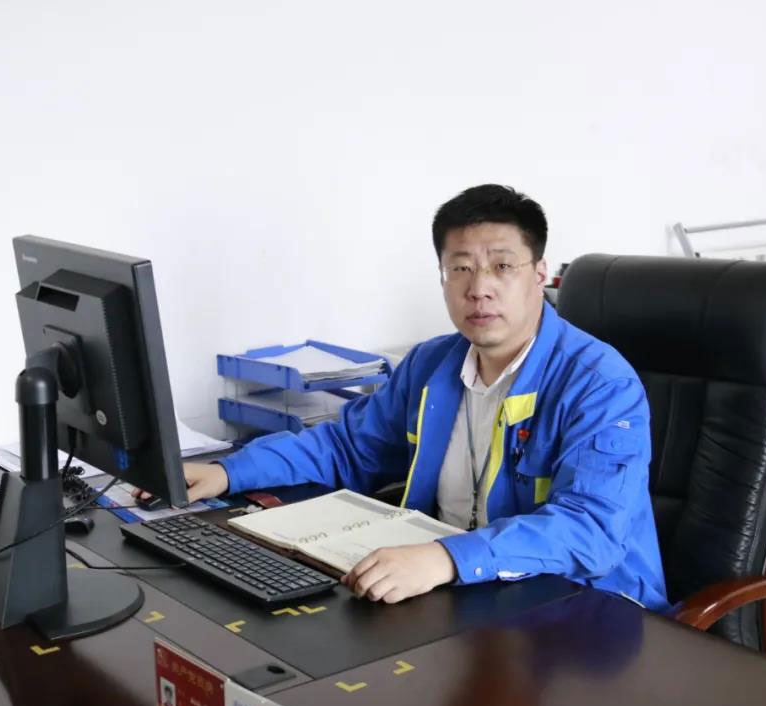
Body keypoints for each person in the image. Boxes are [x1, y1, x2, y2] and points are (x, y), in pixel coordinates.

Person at [158, 184, 668, 610]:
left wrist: (447, 558)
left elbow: (590, 530)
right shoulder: (432, 364)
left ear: (539, 275)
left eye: (502, 267)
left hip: (588, 610)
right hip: (461, 594)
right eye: (460, 268)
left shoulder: (600, 385)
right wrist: (229, 471)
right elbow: (346, 448)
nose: (479, 288)